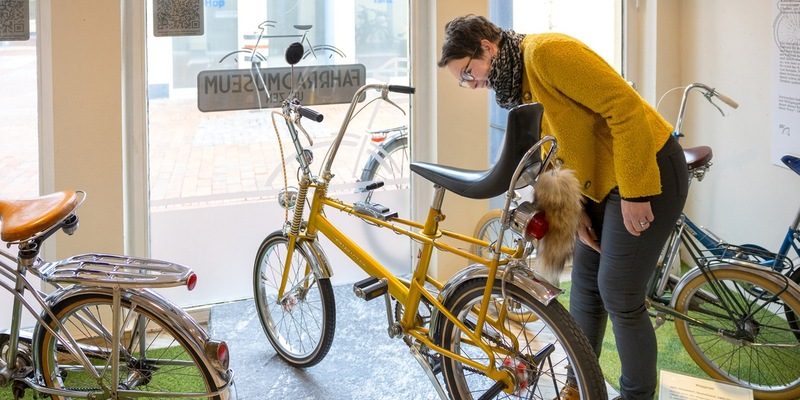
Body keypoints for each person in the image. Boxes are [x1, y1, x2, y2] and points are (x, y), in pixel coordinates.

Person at [438, 15, 689, 400]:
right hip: (601, 185)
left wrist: (638, 193)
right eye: (463, 80)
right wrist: (576, 213)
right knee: (585, 290)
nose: (471, 85)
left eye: (468, 73)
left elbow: (624, 108)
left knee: (619, 294)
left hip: (647, 169)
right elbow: (556, 149)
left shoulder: (546, 53)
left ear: (488, 47)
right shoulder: (517, 85)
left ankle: (636, 396)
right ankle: (579, 387)